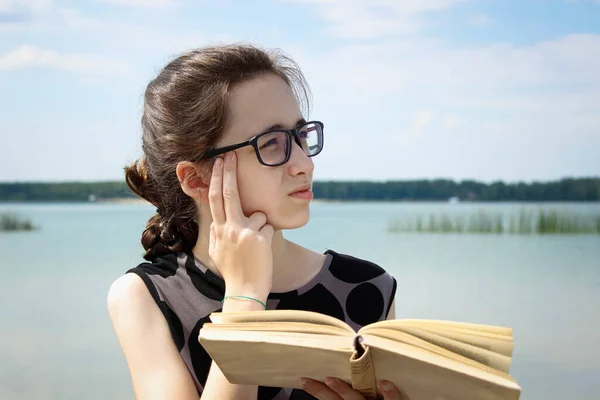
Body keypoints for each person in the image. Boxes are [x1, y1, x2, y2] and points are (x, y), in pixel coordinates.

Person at [107, 43, 401, 400]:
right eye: (272, 143)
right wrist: (245, 299)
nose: (304, 164)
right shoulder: (149, 297)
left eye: (301, 135)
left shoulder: (369, 288)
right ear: (197, 179)